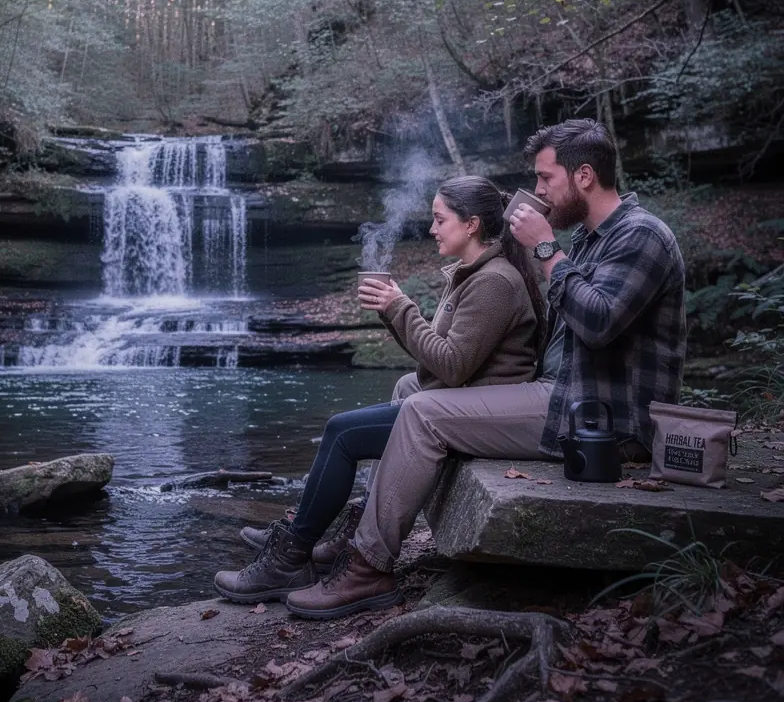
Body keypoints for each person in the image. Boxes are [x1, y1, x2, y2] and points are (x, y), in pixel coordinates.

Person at [282, 117, 686, 619]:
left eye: (546, 179)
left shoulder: (642, 235)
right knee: (411, 385)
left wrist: (543, 247)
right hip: (560, 393)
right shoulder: (587, 239)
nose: (538, 191)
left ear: (584, 176)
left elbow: (599, 323)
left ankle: (368, 567)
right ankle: (359, 529)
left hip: (600, 418)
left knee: (423, 412)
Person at [214, 174, 547, 607]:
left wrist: (399, 307)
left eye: (438, 219)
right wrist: (395, 312)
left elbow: (451, 364)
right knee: (400, 388)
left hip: (478, 409)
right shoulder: (471, 274)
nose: (431, 229)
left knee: (343, 433)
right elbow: (440, 363)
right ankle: (331, 534)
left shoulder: (494, 283)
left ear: (471, 225)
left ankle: (293, 554)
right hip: (465, 395)